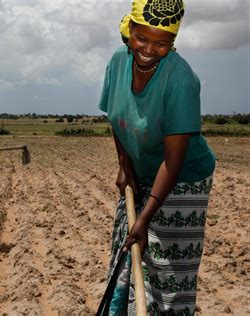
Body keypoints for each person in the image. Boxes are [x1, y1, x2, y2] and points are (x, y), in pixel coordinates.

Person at [97, 0, 215, 314]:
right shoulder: (116, 63)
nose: (149, 49)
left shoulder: (181, 80)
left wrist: (146, 218)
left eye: (162, 43)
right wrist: (125, 166)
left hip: (184, 178)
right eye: (142, 38)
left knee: (168, 269)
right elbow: (116, 116)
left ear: (172, 43)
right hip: (142, 168)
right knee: (127, 253)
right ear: (130, 30)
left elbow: (173, 161)